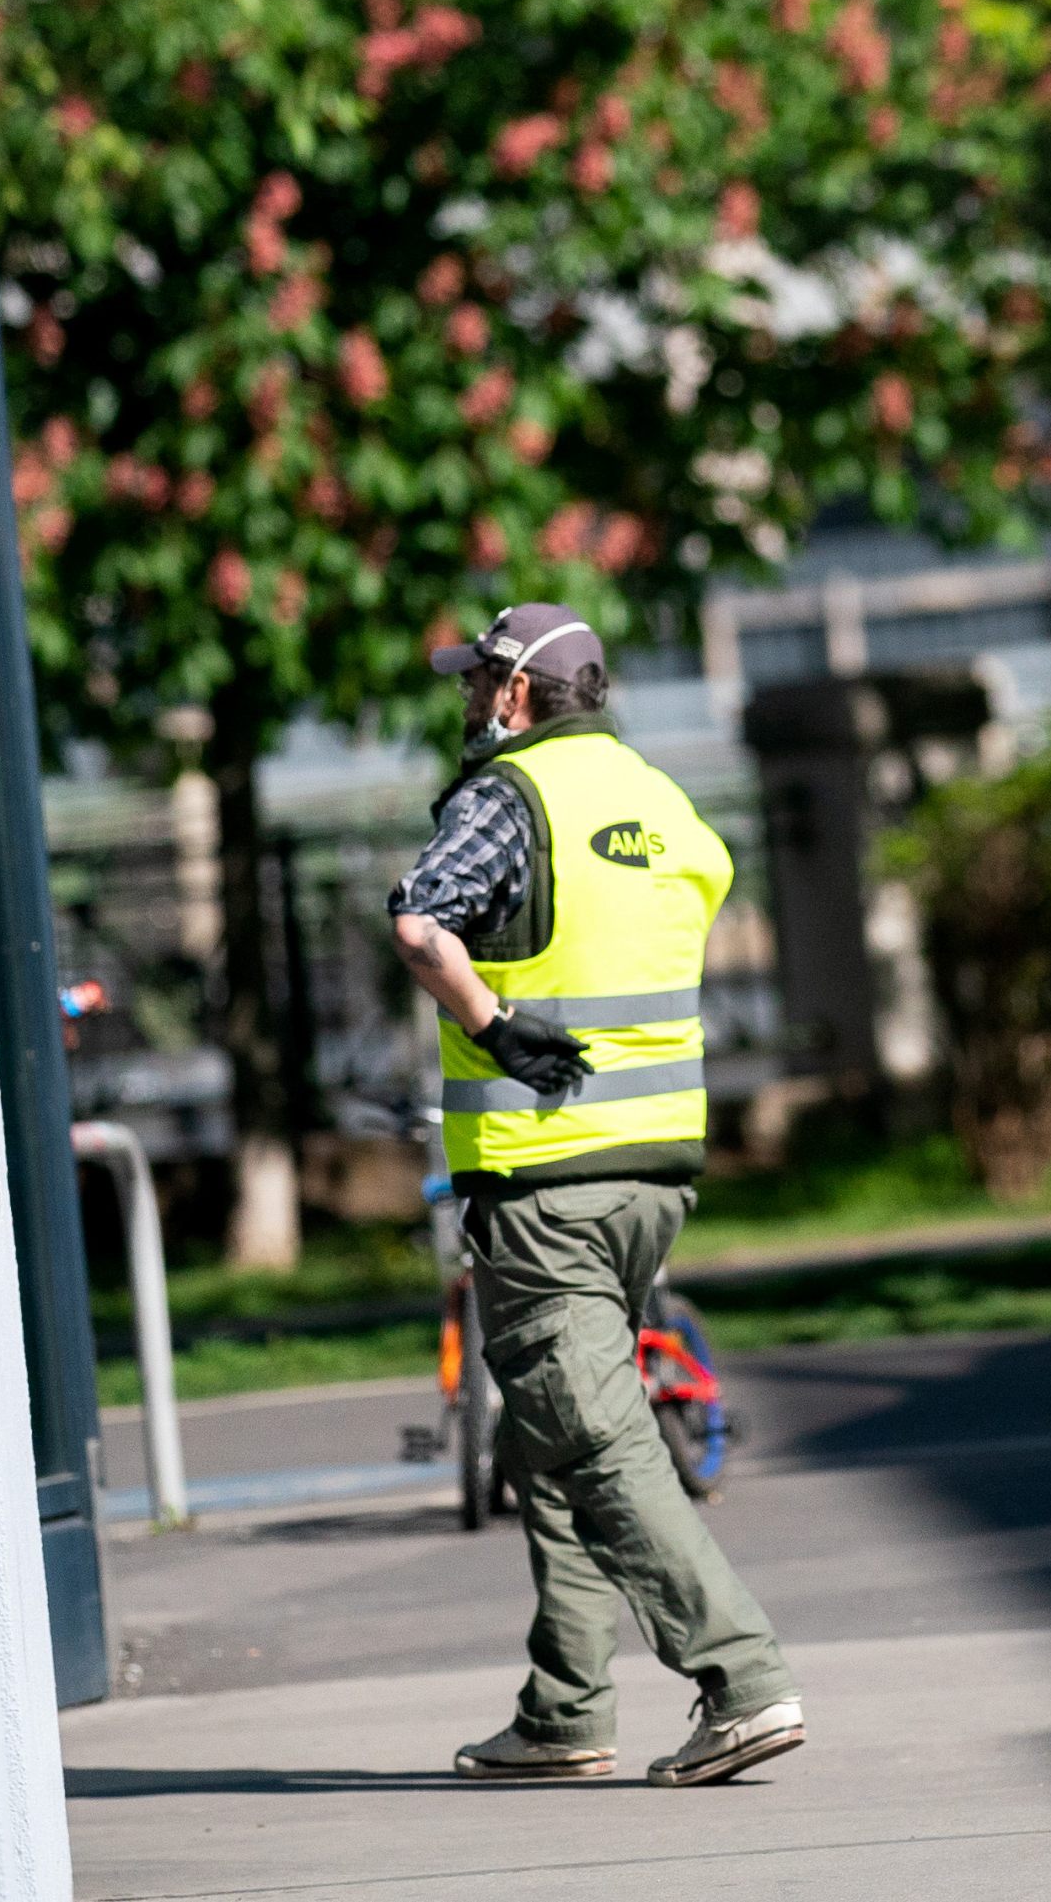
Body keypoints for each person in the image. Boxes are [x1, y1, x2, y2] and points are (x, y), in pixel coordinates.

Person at [388, 602, 805, 1790]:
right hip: (653, 1171)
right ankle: (564, 1705)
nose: (466, 697)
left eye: (477, 680)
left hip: (542, 1176)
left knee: (593, 1432)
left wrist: (493, 1022)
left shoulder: (505, 796)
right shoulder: (659, 801)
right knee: (550, 1429)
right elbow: (698, 890)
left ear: (517, 693)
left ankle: (741, 1678)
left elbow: (419, 925)